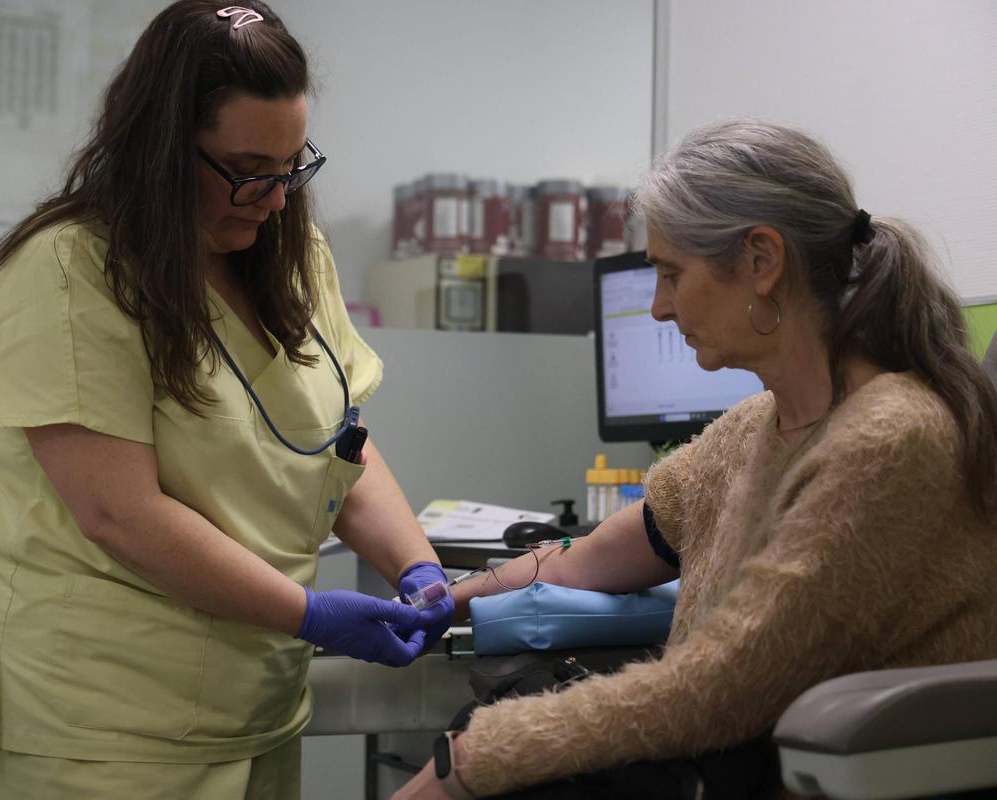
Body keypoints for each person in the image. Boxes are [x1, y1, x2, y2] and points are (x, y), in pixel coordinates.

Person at [395, 118, 997, 799]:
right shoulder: (749, 431)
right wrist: (453, 599)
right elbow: (587, 559)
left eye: (671, 274)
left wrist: (477, 758)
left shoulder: (890, 439)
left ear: (761, 262)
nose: (657, 307)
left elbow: (719, 688)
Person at [0, 2, 454, 797]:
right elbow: (121, 514)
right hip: (102, 728)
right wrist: (309, 613)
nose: (277, 199)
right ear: (160, 146)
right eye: (251, 171)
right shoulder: (64, 272)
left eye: (293, 167)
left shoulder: (288, 253)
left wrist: (418, 566)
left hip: (256, 707)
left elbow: (340, 444)